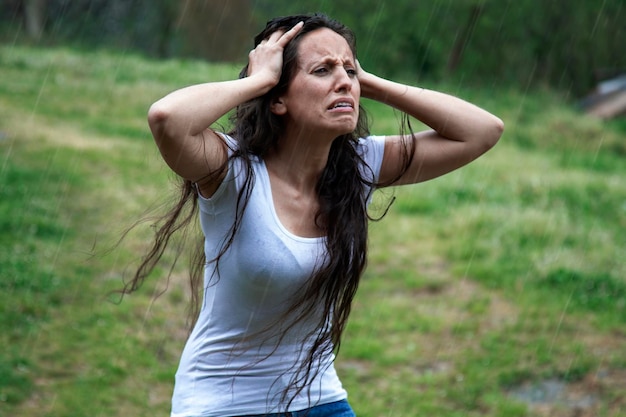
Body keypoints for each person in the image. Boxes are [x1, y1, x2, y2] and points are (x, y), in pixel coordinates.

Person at [130, 12, 503, 417]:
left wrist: (367, 82)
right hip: (222, 403)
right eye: (322, 70)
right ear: (278, 98)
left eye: (349, 69)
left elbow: (482, 130)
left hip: (320, 399)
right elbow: (167, 119)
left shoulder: (358, 167)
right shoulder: (232, 170)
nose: (343, 80)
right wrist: (255, 81)